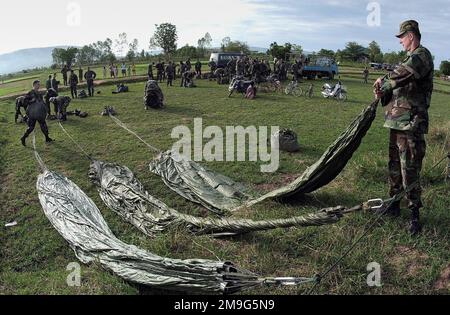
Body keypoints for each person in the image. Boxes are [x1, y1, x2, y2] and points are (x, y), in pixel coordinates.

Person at [373, 20, 434, 235]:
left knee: (409, 168)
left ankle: (414, 214)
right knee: (394, 167)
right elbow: (397, 81)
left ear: (411, 35)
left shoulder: (421, 55)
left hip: (411, 123)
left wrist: (384, 80)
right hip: (397, 122)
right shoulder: (408, 58)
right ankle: (393, 204)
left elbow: (403, 74)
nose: (400, 41)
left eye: (401, 37)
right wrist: (384, 87)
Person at [20, 80, 54, 146]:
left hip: (39, 113)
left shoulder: (39, 93)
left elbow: (42, 102)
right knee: (31, 127)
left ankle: (47, 138)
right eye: (38, 84)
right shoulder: (30, 93)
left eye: (39, 84)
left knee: (44, 125)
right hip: (32, 114)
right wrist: (31, 101)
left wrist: (46, 109)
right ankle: (23, 138)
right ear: (34, 85)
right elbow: (24, 102)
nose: (39, 86)